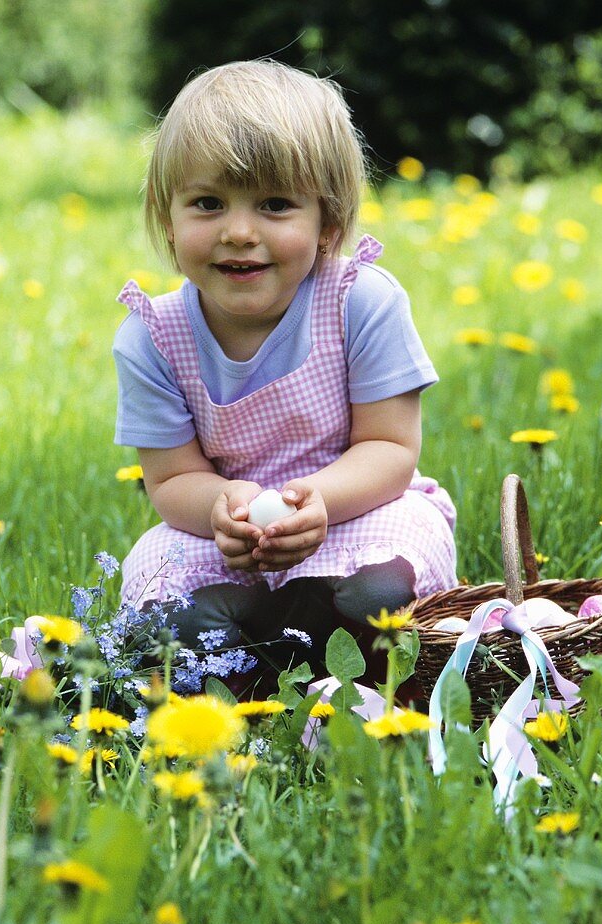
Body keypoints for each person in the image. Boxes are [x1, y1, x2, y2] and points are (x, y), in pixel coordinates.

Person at [113, 59, 457, 668]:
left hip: (358, 511)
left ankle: (330, 663)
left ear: (327, 222)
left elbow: (390, 449)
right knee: (165, 604)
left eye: (274, 204)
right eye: (207, 203)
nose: (239, 231)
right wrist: (224, 507)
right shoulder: (152, 338)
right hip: (225, 536)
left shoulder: (360, 302)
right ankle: (247, 663)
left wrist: (317, 501)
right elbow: (170, 480)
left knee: (379, 594)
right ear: (168, 219)